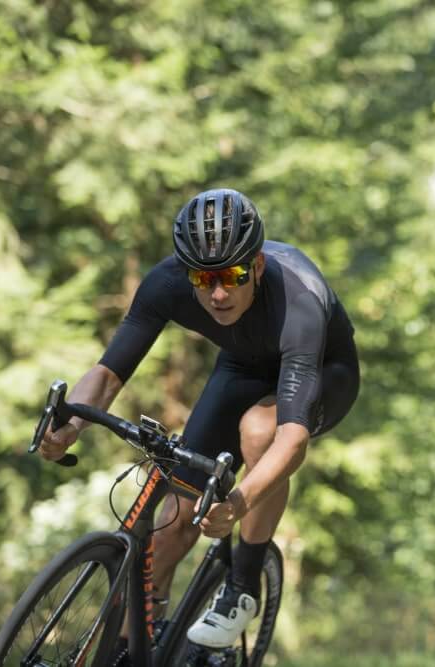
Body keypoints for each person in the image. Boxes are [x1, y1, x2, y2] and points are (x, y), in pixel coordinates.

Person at [38, 188, 360, 657]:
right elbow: (109, 373)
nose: (218, 293)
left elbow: (291, 440)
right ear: (186, 272)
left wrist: (239, 502)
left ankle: (243, 585)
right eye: (203, 278)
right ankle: (135, 645)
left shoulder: (299, 303)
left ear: (258, 267)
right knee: (171, 524)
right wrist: (71, 426)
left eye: (232, 275)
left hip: (323, 373)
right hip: (243, 367)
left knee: (258, 431)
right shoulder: (166, 283)